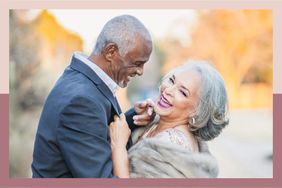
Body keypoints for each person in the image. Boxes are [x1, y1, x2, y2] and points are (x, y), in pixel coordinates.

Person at [31, 15, 154, 178]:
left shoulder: (82, 79)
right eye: (137, 63)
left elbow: (94, 128)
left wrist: (133, 118)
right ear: (111, 52)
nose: (140, 71)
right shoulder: (81, 101)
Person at [109, 61, 229, 178]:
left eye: (182, 92)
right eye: (171, 80)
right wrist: (134, 116)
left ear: (197, 111)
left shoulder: (169, 142)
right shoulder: (156, 124)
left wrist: (118, 146)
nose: (168, 90)